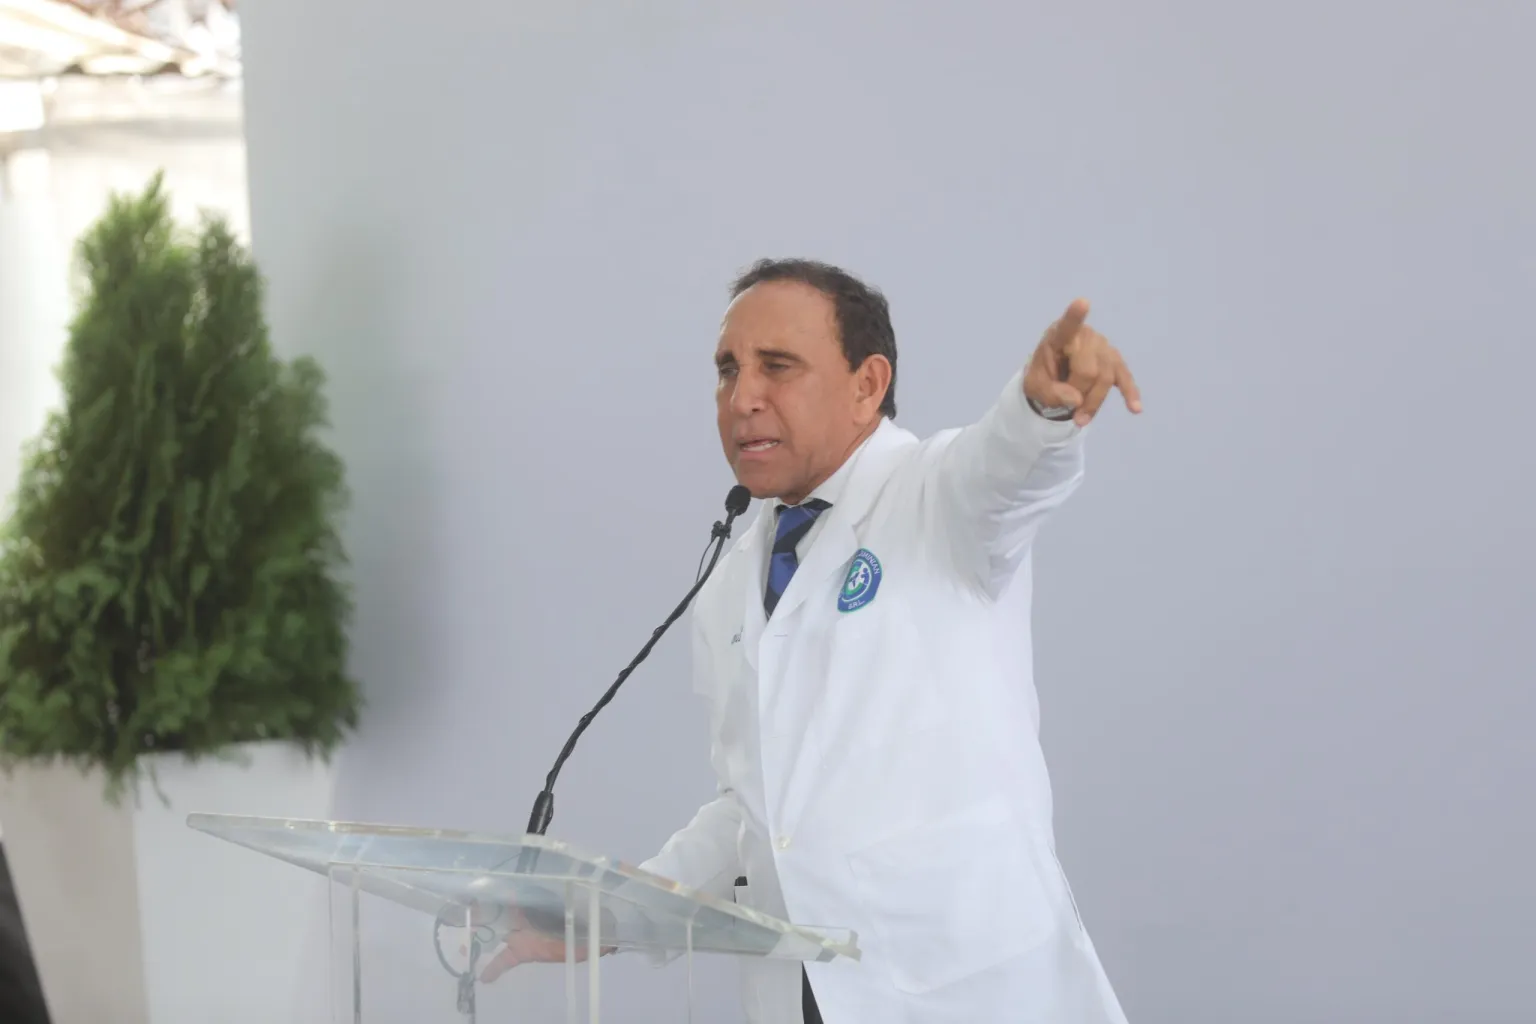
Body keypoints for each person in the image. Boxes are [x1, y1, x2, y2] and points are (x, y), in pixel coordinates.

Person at [484, 259, 1141, 1023]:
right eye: (728, 370)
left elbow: (1008, 468)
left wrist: (1041, 407)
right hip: (804, 994)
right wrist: (612, 915)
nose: (742, 397)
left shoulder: (936, 498)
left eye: (778, 366)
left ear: (867, 384)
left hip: (967, 988)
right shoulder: (732, 578)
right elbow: (753, 811)